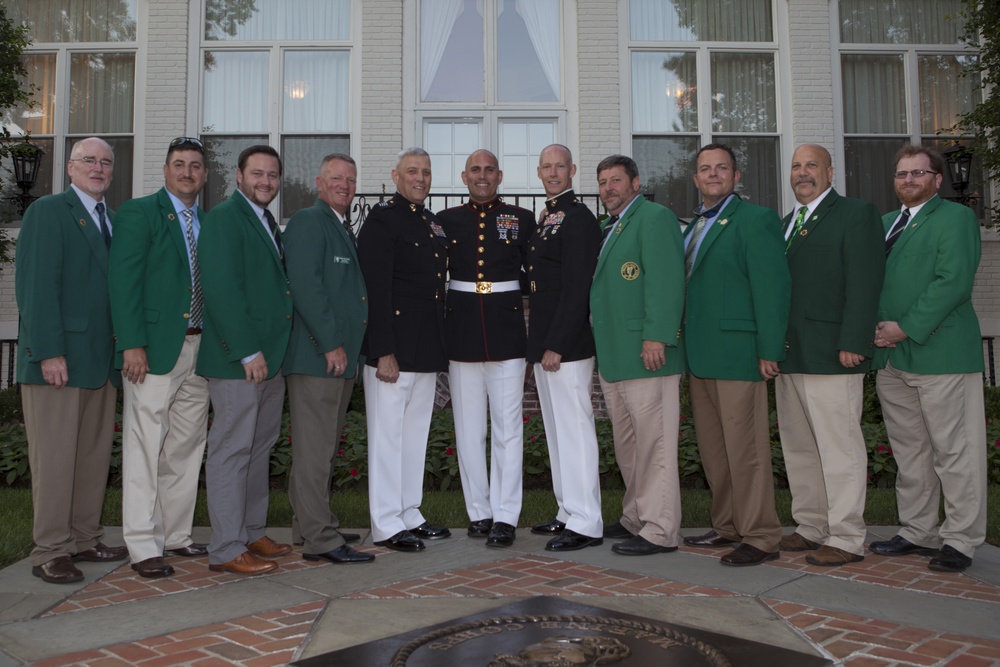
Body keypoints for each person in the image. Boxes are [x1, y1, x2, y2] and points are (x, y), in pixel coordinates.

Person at [868, 145, 986, 573]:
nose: (909, 180)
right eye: (901, 174)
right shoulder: (884, 224)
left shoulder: (955, 219)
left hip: (941, 352)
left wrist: (905, 325)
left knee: (954, 451)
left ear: (937, 179)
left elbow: (952, 282)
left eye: (918, 173)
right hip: (892, 357)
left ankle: (961, 539)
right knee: (910, 451)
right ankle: (916, 530)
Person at [16, 137, 128, 584]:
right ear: (70, 168)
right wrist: (48, 352)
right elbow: (36, 287)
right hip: (58, 361)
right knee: (56, 458)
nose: (98, 168)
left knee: (92, 457)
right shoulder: (47, 212)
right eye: (89, 161)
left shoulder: (114, 221)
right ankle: (50, 549)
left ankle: (84, 537)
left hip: (99, 364)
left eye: (106, 162)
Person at [681, 143, 790, 566]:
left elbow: (772, 288)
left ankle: (761, 535)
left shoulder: (756, 219)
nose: (712, 174)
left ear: (735, 176)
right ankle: (726, 525)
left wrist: (769, 348)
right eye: (705, 169)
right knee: (714, 449)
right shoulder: (692, 226)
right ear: (695, 178)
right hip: (701, 355)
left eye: (720, 168)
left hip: (739, 354)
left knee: (745, 450)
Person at [777, 144, 885, 567]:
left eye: (811, 166)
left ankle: (845, 535)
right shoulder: (787, 223)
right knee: (800, 447)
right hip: (792, 354)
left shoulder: (856, 214)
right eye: (796, 166)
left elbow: (865, 282)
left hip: (833, 352)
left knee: (839, 447)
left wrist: (855, 341)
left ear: (830, 172)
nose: (803, 173)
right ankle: (811, 526)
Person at [109, 137, 212, 578]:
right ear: (166, 170)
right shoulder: (139, 212)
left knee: (186, 447)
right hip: (152, 350)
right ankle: (142, 544)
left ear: (205, 175)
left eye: (194, 166)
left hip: (199, 348)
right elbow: (124, 280)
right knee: (145, 445)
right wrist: (131, 343)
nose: (187, 172)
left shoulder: (208, 222)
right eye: (179, 164)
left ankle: (175, 535)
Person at [196, 145, 293, 575]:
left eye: (272, 175)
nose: (266, 182)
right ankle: (225, 548)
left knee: (258, 448)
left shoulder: (266, 221)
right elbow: (220, 290)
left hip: (270, 361)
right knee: (231, 451)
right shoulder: (223, 219)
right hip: (241, 360)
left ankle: (252, 530)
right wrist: (248, 351)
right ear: (238, 176)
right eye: (257, 174)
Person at [438, 150, 536, 548]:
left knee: (509, 429)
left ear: (499, 176)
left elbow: (537, 273)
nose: (482, 177)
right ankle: (478, 512)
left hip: (507, 331)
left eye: (489, 170)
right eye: (475, 170)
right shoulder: (445, 221)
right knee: (468, 429)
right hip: (461, 331)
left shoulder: (522, 219)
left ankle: (506, 516)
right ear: (464, 177)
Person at [590, 155, 685, 557]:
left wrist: (657, 338)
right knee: (629, 444)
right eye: (603, 182)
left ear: (635, 182)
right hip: (616, 355)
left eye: (616, 180)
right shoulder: (611, 226)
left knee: (656, 443)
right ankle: (635, 516)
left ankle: (661, 528)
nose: (609, 188)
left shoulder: (655, 217)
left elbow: (665, 281)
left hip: (647, 353)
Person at [358, 147, 451, 552]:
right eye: (412, 171)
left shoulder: (431, 223)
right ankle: (385, 522)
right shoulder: (382, 220)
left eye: (426, 172)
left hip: (425, 345)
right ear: (395, 175)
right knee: (388, 438)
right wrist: (383, 351)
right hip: (392, 349)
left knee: (415, 436)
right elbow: (374, 291)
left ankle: (409, 512)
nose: (420, 178)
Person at [282, 154, 373, 565]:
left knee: (320, 450)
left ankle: (310, 524)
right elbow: (306, 287)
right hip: (318, 358)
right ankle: (320, 538)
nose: (344, 185)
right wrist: (332, 344)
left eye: (350, 180)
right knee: (315, 451)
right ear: (319, 182)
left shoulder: (339, 226)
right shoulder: (307, 222)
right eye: (336, 178)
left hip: (337, 359)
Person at [527, 144, 604, 552]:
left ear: (572, 170)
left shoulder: (578, 218)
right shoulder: (550, 218)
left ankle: (588, 521)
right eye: (547, 167)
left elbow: (577, 288)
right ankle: (567, 511)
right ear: (539, 172)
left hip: (567, 346)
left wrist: (556, 344)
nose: (554, 173)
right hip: (546, 342)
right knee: (557, 433)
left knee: (574, 432)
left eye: (560, 166)